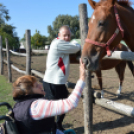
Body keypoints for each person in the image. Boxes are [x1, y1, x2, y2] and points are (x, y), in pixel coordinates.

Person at [12, 59, 86, 134]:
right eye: (37, 86)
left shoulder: (18, 106)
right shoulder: (36, 106)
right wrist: (82, 78)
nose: (41, 86)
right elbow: (71, 103)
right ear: (28, 92)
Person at [43, 25, 81, 131]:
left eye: (69, 35)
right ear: (59, 35)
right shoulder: (58, 43)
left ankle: (58, 125)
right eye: (65, 35)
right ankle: (50, 128)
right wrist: (75, 42)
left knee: (64, 104)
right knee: (52, 109)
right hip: (52, 83)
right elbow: (76, 48)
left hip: (57, 82)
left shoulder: (60, 43)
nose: (67, 38)